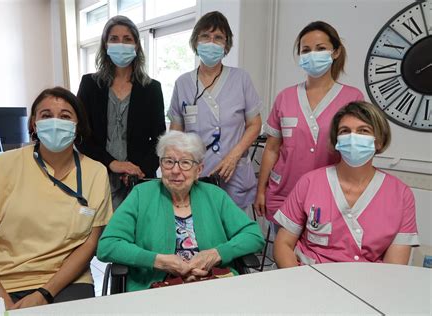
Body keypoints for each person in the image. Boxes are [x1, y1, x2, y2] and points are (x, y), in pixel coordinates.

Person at [0, 87, 113, 309]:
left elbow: (89, 244)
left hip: (63, 280)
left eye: (65, 116)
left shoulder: (95, 173)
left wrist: (44, 293)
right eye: (46, 115)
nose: (55, 122)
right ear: (33, 123)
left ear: (78, 125)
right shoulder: (3, 166)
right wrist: (2, 303)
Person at [97, 130, 265, 292]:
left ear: (198, 170)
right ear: (161, 165)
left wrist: (216, 254)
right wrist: (158, 261)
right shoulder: (141, 195)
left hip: (213, 285)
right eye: (169, 161)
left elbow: (253, 235)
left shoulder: (215, 196)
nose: (176, 170)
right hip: (158, 289)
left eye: (185, 163)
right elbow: (108, 245)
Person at [273, 101, 420, 267]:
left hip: (366, 283)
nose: (353, 137)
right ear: (337, 141)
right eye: (345, 131)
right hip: (309, 277)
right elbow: (283, 244)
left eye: (363, 131)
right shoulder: (310, 182)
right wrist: (298, 282)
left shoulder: (400, 195)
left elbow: (394, 267)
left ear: (378, 141)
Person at [254, 21, 364, 222]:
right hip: (283, 194)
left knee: (319, 252)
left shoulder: (352, 98)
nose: (313, 54)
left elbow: (355, 152)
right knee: (282, 250)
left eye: (321, 48)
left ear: (336, 52)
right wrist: (261, 190)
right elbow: (271, 149)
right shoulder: (285, 97)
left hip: (330, 195)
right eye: (306, 50)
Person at [168, 11, 262, 210]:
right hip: (195, 173)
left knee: (235, 233)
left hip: (234, 172)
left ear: (226, 45)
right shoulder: (183, 83)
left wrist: (234, 155)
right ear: (196, 41)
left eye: (218, 37)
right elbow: (176, 134)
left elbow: (255, 124)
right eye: (205, 36)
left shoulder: (241, 79)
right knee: (200, 230)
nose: (211, 42)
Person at [77, 15, 166, 209]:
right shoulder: (90, 85)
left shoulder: (151, 89)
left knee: (136, 232)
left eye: (127, 39)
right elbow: (81, 136)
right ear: (105, 45)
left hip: (138, 179)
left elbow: (160, 139)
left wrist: (139, 170)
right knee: (99, 233)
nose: (121, 44)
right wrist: (113, 163)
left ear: (136, 45)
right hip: (98, 174)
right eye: (114, 39)